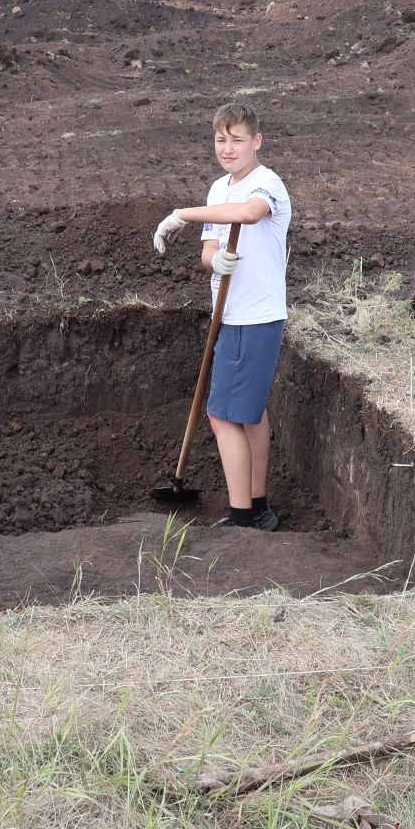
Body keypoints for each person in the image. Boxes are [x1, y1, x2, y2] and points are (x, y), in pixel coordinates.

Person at [152, 102, 292, 530]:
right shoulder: (218, 189)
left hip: (256, 317)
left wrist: (180, 214)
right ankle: (259, 507)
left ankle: (242, 516)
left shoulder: (267, 183)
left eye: (236, 140)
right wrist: (215, 264)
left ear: (256, 142)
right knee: (249, 414)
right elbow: (208, 249)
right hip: (229, 316)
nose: (228, 149)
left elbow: (249, 214)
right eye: (221, 140)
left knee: (223, 414)